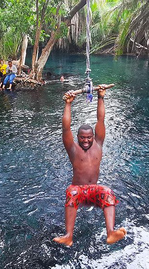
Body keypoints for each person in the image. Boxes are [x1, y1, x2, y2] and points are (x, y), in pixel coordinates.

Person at [53, 86, 126, 247]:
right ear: (77, 137)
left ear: (94, 136)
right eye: (82, 138)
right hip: (78, 191)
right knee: (71, 190)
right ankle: (68, 236)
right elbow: (66, 127)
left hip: (93, 191)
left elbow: (100, 120)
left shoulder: (98, 145)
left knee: (107, 191)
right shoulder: (73, 149)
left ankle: (111, 232)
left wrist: (101, 97)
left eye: (88, 137)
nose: (85, 141)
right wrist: (68, 104)